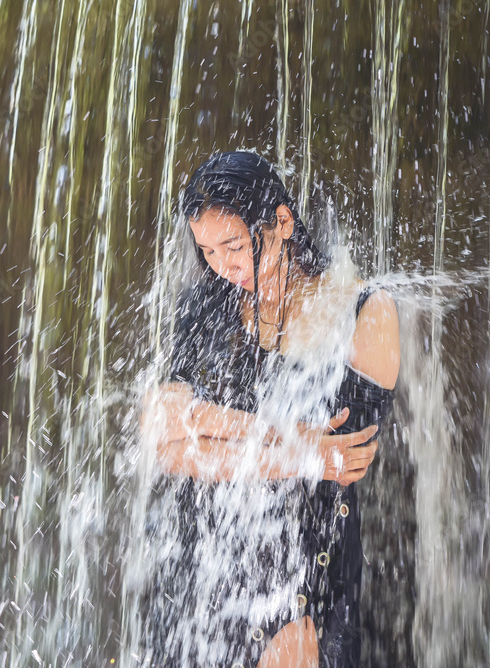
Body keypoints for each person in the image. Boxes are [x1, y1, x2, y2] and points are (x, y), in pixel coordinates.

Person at [139, 151, 400, 667]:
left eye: (233, 245)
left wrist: (209, 428)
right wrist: (289, 440)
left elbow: (339, 462)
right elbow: (161, 435)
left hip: (304, 577)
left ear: (281, 222)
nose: (222, 266)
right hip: (203, 564)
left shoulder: (364, 314)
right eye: (207, 250)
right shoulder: (205, 307)